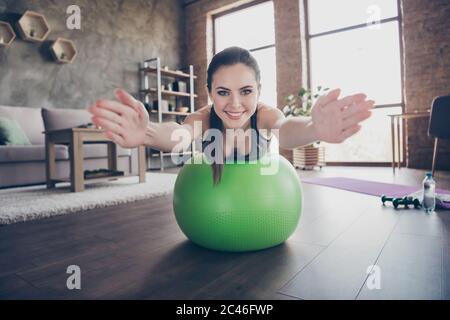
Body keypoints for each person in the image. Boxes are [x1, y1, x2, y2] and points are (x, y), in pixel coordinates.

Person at [87, 46, 374, 183]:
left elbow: (285, 129)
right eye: (223, 92)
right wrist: (146, 133)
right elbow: (180, 134)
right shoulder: (203, 117)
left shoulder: (263, 114)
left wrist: (313, 128)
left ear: (259, 90)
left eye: (246, 91)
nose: (235, 104)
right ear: (210, 92)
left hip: (262, 198)